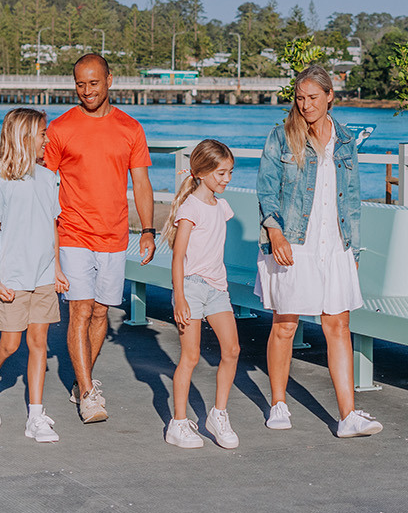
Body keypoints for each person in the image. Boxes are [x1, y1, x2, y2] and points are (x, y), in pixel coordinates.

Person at [255, 65, 382, 438]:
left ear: (330, 96)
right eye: (299, 98)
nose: (305, 104)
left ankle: (348, 415)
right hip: (294, 242)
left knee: (338, 324)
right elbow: (266, 190)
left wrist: (353, 249)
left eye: (313, 97)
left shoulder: (345, 140)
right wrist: (275, 234)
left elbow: (353, 198)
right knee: (286, 324)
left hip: (336, 243)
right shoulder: (282, 136)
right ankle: (278, 402)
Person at [43, 53, 155, 424]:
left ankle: (81, 380)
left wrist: (149, 229)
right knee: (80, 309)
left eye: (93, 83)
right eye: (80, 84)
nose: (87, 91)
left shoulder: (130, 129)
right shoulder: (60, 129)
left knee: (101, 312)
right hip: (73, 232)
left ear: (110, 80)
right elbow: (43, 186)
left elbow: (141, 183)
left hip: (115, 235)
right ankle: (89, 393)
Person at [0, 108, 68, 442]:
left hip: (43, 276)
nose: (47, 139)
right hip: (12, 277)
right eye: (43, 133)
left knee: (39, 342)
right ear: (25, 137)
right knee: (10, 344)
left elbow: (52, 225)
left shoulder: (47, 177)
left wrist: (56, 268)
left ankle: (36, 416)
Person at [162, 139, 242, 450]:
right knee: (191, 356)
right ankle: (178, 423)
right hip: (191, 288)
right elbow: (178, 256)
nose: (227, 179)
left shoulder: (222, 207)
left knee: (232, 350)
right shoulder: (190, 207)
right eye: (221, 173)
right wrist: (179, 297)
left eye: (230, 173)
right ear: (203, 172)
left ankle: (218, 415)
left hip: (217, 288)